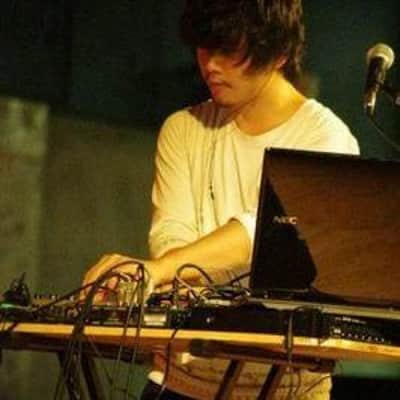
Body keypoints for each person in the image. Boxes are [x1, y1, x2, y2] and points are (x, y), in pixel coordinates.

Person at [83, 0, 359, 399]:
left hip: (286, 387)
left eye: (229, 50)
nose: (211, 65)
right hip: (180, 380)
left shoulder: (325, 139)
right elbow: (171, 236)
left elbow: (265, 232)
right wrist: (162, 270)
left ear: (279, 53)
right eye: (204, 46)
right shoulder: (183, 129)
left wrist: (159, 270)